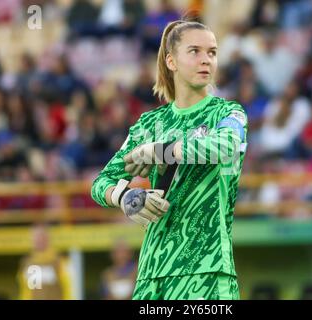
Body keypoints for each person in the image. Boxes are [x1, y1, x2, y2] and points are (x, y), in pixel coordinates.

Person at [91, 16, 248, 300]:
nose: (206, 60)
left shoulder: (228, 113)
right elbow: (102, 182)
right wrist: (125, 197)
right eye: (195, 51)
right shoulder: (148, 124)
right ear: (171, 61)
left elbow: (224, 145)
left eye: (212, 52)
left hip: (208, 272)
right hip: (153, 273)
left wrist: (158, 150)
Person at [16, 224, 73, 300]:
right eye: (36, 237)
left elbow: (68, 286)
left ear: (48, 238)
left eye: (41, 237)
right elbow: (26, 290)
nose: (38, 240)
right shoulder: (28, 262)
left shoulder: (59, 260)